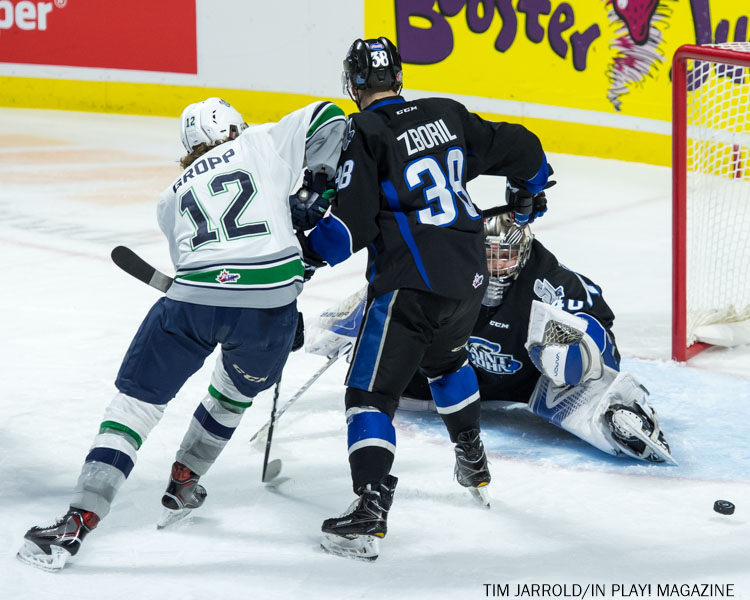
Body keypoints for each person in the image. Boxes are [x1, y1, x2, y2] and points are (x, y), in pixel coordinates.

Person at [17, 97, 346, 572]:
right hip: (269, 305)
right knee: (232, 394)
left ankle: (77, 521)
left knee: (134, 407)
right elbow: (328, 116)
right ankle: (186, 479)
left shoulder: (169, 197)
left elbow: (197, 261)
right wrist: (316, 185)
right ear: (234, 129)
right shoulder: (259, 142)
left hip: (192, 301)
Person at [302, 37, 553, 561]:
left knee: (369, 397)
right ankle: (471, 455)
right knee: (446, 362)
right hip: (468, 279)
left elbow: (348, 230)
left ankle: (369, 509)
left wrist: (305, 247)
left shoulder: (364, 132)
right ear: (398, 76)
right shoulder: (446, 113)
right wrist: (529, 190)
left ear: (353, 84)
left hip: (409, 287)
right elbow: (523, 146)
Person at [309, 212, 676, 467]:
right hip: (453, 374)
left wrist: (581, 349)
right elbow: (404, 289)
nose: (495, 266)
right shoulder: (450, 266)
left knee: (578, 373)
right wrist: (371, 317)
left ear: (524, 251)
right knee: (393, 363)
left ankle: (620, 415)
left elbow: (601, 330)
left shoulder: (551, 282)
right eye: (488, 255)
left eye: (505, 256)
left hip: (529, 382)